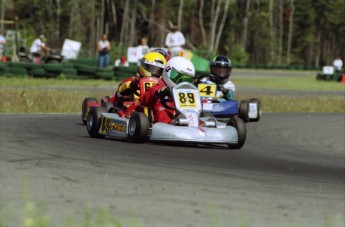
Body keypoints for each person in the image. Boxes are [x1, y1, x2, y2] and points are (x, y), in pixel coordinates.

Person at [139, 56, 195, 124]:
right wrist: (158, 92)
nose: (181, 82)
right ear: (168, 70)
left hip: (182, 123)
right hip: (161, 126)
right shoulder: (158, 88)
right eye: (178, 78)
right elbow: (142, 100)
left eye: (186, 80)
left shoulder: (186, 92)